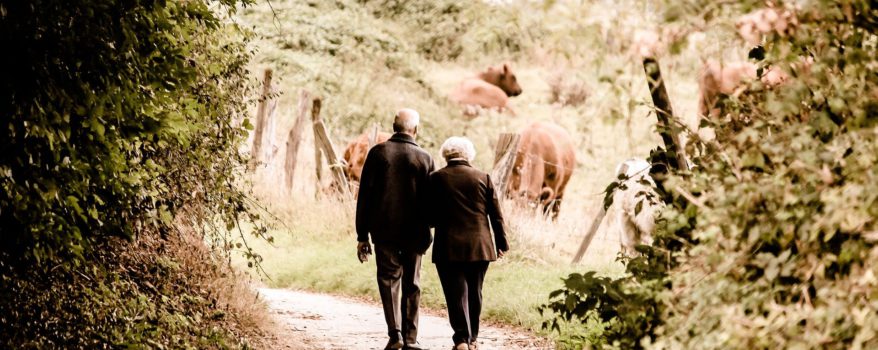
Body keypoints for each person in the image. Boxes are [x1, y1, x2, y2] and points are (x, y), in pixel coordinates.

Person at [356, 108, 435, 350]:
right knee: (412, 283)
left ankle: (395, 335)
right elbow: (431, 200)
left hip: (384, 231)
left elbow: (365, 197)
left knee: (389, 280)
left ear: (393, 126)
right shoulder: (425, 158)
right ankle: (411, 338)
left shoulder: (378, 153)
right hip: (416, 233)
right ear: (416, 130)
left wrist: (362, 235)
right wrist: (429, 227)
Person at [429, 137, 509, 350]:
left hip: (448, 246)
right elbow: (496, 216)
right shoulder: (483, 177)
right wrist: (501, 243)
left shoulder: (436, 178)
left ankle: (462, 339)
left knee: (455, 293)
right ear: (469, 155)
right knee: (475, 291)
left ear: (445, 154)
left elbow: (428, 216)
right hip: (480, 245)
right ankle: (472, 338)